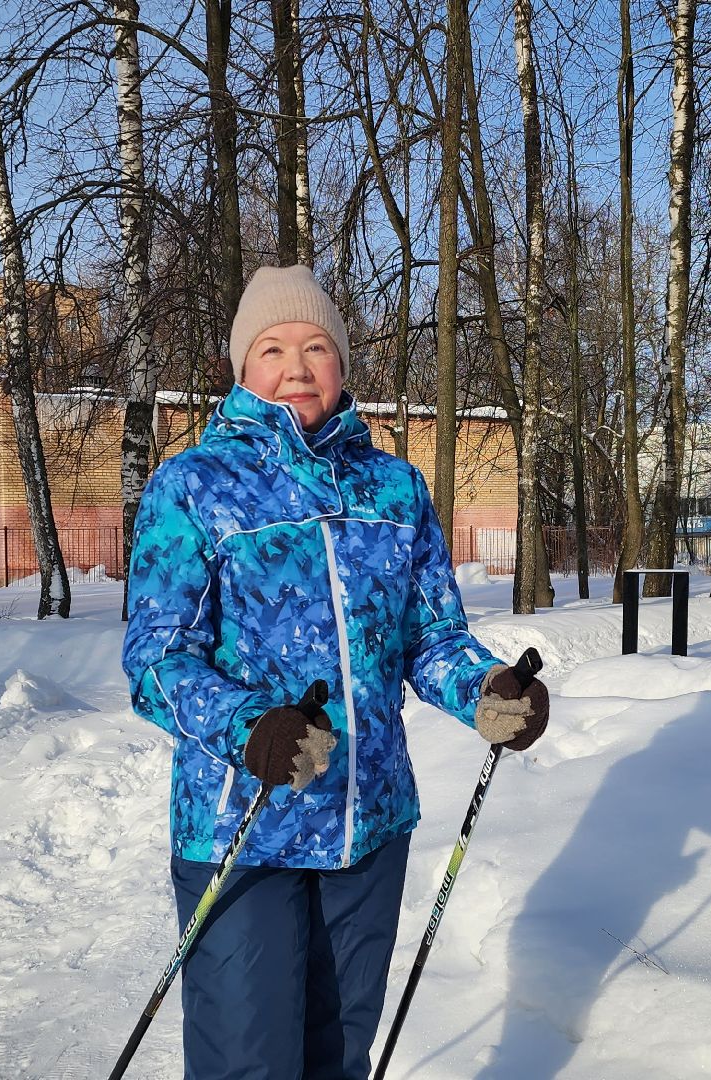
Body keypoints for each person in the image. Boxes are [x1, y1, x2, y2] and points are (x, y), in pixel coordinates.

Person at [123, 264, 550, 1079]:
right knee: (248, 1062)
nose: (296, 366)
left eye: (317, 346)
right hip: (244, 832)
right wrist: (252, 728)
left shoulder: (395, 488)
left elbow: (431, 639)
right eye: (274, 347)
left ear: (343, 366)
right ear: (241, 368)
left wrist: (489, 692)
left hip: (368, 828)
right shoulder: (193, 486)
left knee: (338, 1059)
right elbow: (155, 660)